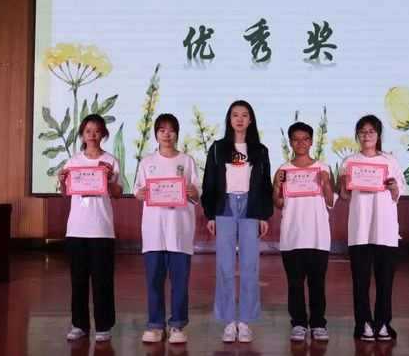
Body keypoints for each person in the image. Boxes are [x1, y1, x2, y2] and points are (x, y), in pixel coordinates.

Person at [201, 100, 273, 343]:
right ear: (229, 119)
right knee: (224, 266)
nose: (240, 119)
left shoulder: (260, 150)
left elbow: (265, 185)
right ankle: (229, 322)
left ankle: (245, 322)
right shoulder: (218, 148)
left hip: (251, 208)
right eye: (235, 115)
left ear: (251, 120)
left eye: (244, 115)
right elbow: (209, 182)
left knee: (250, 267)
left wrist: (264, 215)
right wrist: (210, 215)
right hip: (225, 207)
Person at [134, 114, 201, 345]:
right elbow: (138, 190)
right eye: (162, 130)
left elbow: (196, 190)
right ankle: (155, 325)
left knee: (180, 281)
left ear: (177, 134)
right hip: (154, 230)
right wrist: (140, 194)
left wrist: (194, 192)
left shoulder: (187, 161)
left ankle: (178, 325)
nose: (166, 134)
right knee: (154, 279)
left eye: (171, 130)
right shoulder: (147, 162)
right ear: (156, 134)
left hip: (180, 229)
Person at [338, 115, 406, 342]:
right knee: (360, 281)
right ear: (357, 135)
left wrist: (393, 187)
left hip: (385, 230)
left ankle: (383, 323)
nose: (367, 135)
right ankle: (364, 323)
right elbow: (345, 196)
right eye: (362, 131)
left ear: (378, 135)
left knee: (385, 281)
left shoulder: (390, 160)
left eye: (371, 131)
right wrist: (343, 184)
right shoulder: (349, 161)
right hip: (360, 230)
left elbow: (398, 194)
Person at [57, 114, 123, 342]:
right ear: (82, 134)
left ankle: (104, 326)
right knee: (78, 280)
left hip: (102, 229)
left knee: (102, 280)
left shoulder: (111, 161)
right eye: (88, 131)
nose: (92, 135)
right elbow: (65, 193)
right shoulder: (73, 161)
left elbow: (117, 193)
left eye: (96, 131)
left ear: (103, 133)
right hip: (76, 229)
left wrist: (109, 180)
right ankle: (79, 325)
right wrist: (61, 181)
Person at [272, 122, 335, 343]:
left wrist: (326, 185)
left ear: (311, 141)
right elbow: (278, 203)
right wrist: (276, 186)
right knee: (295, 284)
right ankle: (298, 323)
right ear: (290, 142)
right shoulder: (283, 169)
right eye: (296, 139)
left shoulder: (323, 168)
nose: (300, 143)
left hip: (318, 236)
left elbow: (330, 201)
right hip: (292, 236)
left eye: (305, 139)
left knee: (317, 283)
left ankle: (318, 323)